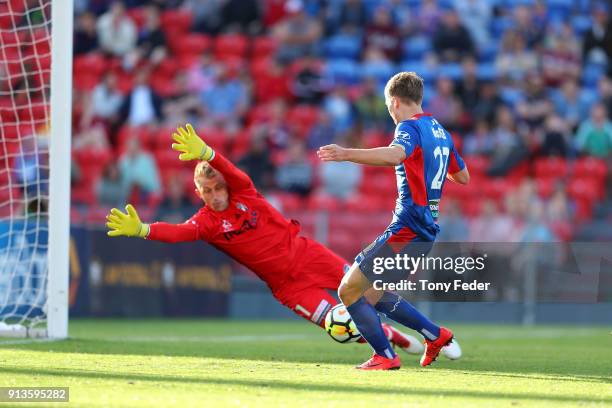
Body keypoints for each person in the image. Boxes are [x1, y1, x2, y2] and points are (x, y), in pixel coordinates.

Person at [105, 124, 459, 360]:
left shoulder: (245, 192)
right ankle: (386, 339)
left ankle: (433, 333)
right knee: (338, 326)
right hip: (287, 287)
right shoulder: (206, 223)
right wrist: (143, 230)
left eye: (217, 188)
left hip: (309, 255)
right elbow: (178, 232)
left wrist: (209, 153)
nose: (214, 196)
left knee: (371, 294)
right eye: (206, 191)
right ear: (198, 193)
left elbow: (236, 173)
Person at [317, 72, 469, 370]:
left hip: (407, 229)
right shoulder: (440, 131)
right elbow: (463, 176)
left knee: (349, 290)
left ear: (395, 102)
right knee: (375, 294)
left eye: (389, 107)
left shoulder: (409, 128)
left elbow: (395, 156)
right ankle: (436, 335)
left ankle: (385, 356)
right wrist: (433, 166)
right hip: (426, 231)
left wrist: (346, 153)